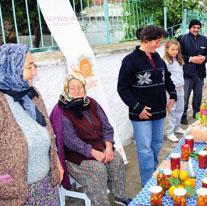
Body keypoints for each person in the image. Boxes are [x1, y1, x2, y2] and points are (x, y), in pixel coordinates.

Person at [50, 73, 131, 206]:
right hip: (76, 155)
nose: (77, 91)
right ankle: (100, 203)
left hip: (100, 146)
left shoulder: (91, 102)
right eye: (72, 88)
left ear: (84, 88)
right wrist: (93, 153)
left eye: (80, 87)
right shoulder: (62, 110)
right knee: (98, 170)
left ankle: (119, 196)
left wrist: (109, 147)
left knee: (116, 160)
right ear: (66, 90)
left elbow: (106, 126)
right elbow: (71, 141)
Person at [0, 44, 63, 205]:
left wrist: (56, 162)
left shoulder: (32, 95)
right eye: (29, 67)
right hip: (16, 194)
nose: (34, 72)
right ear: (11, 68)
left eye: (34, 65)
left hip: (47, 186)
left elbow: (49, 132)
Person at [117, 25, 177, 186]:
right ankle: (148, 184)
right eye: (157, 42)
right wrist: (137, 107)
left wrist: (172, 94)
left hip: (159, 113)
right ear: (145, 40)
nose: (159, 45)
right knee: (144, 150)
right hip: (141, 114)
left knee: (157, 144)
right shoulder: (130, 60)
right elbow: (122, 88)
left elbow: (167, 79)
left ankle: (153, 173)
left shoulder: (157, 58)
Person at [178, 19, 207, 125]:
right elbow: (178, 55)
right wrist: (191, 59)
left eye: (198, 28)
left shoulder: (204, 39)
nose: (196, 29)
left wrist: (204, 58)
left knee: (198, 96)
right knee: (185, 96)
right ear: (190, 28)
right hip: (187, 73)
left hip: (200, 73)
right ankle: (182, 116)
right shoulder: (182, 39)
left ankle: (196, 113)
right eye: (194, 27)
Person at [163, 40, 186, 142]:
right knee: (172, 110)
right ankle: (170, 132)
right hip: (172, 89)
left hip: (181, 87)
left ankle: (177, 127)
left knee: (180, 109)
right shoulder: (165, 61)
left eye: (176, 49)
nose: (174, 51)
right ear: (167, 49)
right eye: (172, 49)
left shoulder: (178, 59)